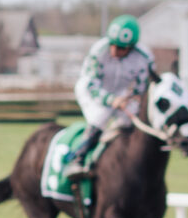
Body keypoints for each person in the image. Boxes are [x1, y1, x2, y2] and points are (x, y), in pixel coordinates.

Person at [66, 15, 156, 184]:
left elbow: (141, 86)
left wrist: (128, 98)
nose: (114, 50)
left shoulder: (144, 58)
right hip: (92, 91)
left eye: (121, 48)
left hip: (122, 94)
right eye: (112, 45)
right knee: (101, 116)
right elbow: (92, 85)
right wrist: (111, 100)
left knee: (128, 121)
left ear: (131, 47)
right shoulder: (98, 52)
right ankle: (77, 159)